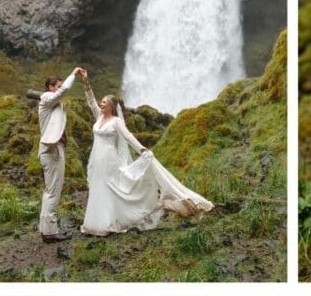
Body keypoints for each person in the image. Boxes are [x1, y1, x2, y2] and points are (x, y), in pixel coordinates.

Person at [77, 68, 213, 236]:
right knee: (98, 188)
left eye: (104, 101)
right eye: (101, 101)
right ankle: (95, 223)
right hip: (97, 159)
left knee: (111, 188)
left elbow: (127, 135)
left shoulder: (116, 121)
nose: (101, 103)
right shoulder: (99, 117)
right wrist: (85, 81)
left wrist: (141, 148)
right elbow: (90, 100)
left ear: (111, 105)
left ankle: (110, 222)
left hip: (109, 159)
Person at [37, 68, 81, 242]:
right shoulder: (47, 98)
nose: (61, 89)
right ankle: (50, 233)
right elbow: (64, 91)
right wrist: (74, 74)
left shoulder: (53, 102)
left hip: (55, 149)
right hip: (51, 151)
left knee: (50, 190)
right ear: (50, 87)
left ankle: (45, 228)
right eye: (58, 86)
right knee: (53, 191)